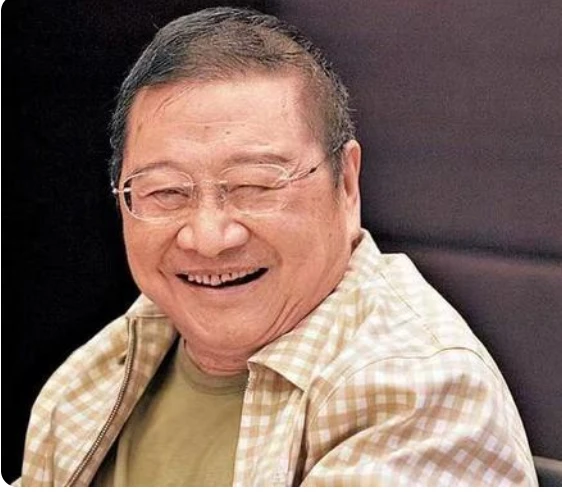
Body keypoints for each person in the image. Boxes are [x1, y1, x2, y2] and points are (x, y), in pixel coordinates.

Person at [16, 6, 537, 487]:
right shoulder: (96, 372)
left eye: (255, 185)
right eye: (166, 192)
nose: (209, 238)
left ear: (346, 183)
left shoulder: (420, 390)